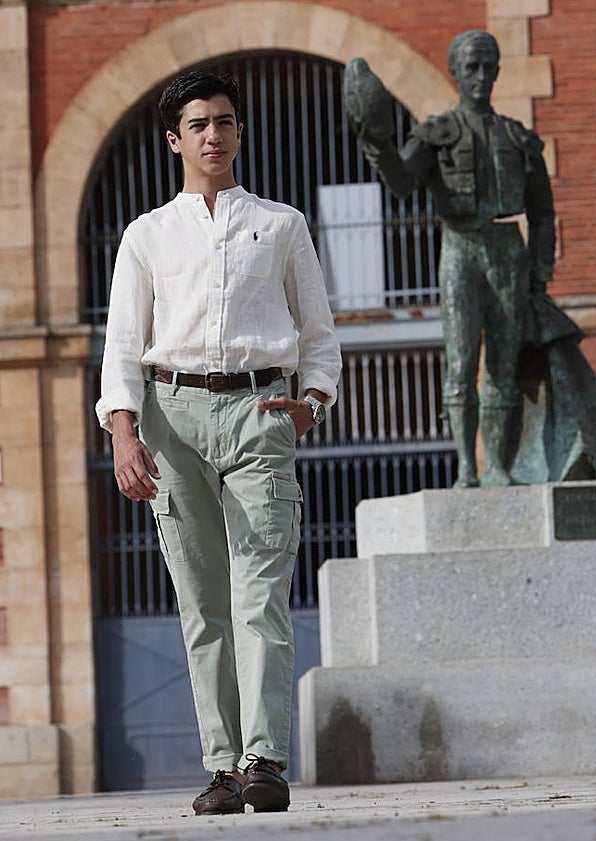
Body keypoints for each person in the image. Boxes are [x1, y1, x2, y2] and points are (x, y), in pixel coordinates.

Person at [96, 70, 342, 814]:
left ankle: (263, 757)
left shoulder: (282, 223)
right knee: (201, 604)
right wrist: (123, 434)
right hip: (170, 420)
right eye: (199, 123)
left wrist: (311, 404)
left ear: (239, 132)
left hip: (259, 411)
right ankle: (222, 767)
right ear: (174, 139)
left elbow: (319, 333)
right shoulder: (146, 235)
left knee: (260, 593)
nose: (214, 134)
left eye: (225, 122)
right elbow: (122, 346)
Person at [346, 30, 555, 487]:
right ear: (455, 71)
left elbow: (543, 212)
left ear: (498, 71)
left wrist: (540, 273)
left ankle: (498, 466)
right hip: (459, 247)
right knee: (460, 363)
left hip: (507, 250)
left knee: (504, 366)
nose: (480, 75)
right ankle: (466, 467)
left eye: (488, 66)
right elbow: (402, 184)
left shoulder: (518, 138)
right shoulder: (436, 135)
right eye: (471, 66)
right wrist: (378, 144)